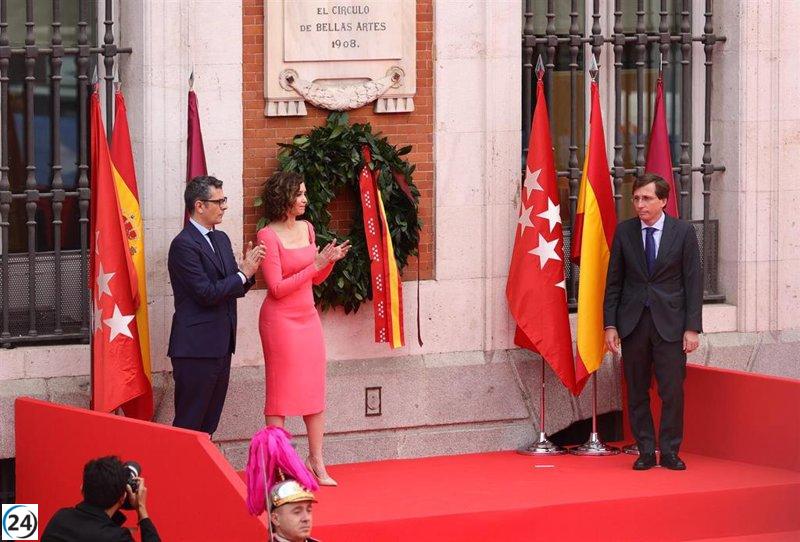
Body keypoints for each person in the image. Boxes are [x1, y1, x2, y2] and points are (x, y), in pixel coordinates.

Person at [604, 173, 702, 471]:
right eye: (636, 198)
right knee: (636, 389)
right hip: (633, 324)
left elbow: (693, 281)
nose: (639, 204)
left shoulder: (683, 232)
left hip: (671, 324)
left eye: (646, 198)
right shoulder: (625, 232)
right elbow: (614, 283)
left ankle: (670, 451)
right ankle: (645, 450)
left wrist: (692, 327)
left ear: (663, 200)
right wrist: (610, 325)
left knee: (672, 390)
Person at [257, 171, 350, 487]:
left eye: (305, 193)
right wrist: (316, 265)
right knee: (280, 392)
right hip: (279, 321)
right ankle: (276, 463)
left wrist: (330, 261)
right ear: (284, 197)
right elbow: (277, 287)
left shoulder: (308, 228)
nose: (304, 200)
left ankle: (316, 460)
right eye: (299, 194)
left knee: (314, 387)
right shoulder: (267, 236)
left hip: (307, 317)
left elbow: (315, 279)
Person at [168, 175, 265, 435]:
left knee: (209, 423)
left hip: (222, 345)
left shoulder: (220, 238)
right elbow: (206, 293)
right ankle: (178, 475)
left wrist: (248, 273)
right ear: (199, 205)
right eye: (218, 201)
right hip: (195, 349)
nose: (224, 206)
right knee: (189, 424)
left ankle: (199, 474)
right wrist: (242, 274)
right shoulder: (183, 245)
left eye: (224, 200)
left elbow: (233, 286)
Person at [41, 456, 160, 542]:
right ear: (123, 497)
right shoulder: (117, 538)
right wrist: (141, 508)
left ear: (82, 488)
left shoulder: (60, 519)